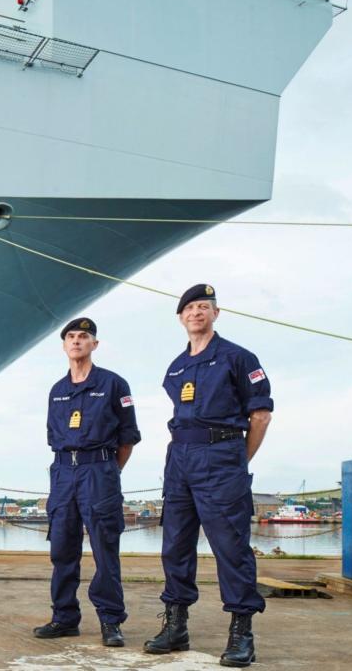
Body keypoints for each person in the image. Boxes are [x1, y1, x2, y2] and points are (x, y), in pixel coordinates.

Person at [144, 284, 273, 668]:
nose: (197, 313)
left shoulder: (237, 357)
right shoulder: (176, 366)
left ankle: (241, 633)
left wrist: (237, 459)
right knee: (175, 545)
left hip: (222, 455)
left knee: (231, 547)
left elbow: (261, 415)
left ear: (216, 314)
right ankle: (176, 626)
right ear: (181, 317)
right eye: (190, 308)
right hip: (180, 458)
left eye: (204, 307)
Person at [33, 317, 140, 648]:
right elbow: (53, 436)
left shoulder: (114, 384)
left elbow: (127, 438)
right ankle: (64, 617)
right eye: (71, 336)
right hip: (64, 472)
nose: (77, 341)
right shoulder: (57, 391)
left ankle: (111, 620)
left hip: (99, 471)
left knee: (105, 549)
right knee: (62, 549)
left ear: (95, 344)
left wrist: (108, 471)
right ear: (64, 346)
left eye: (84, 336)